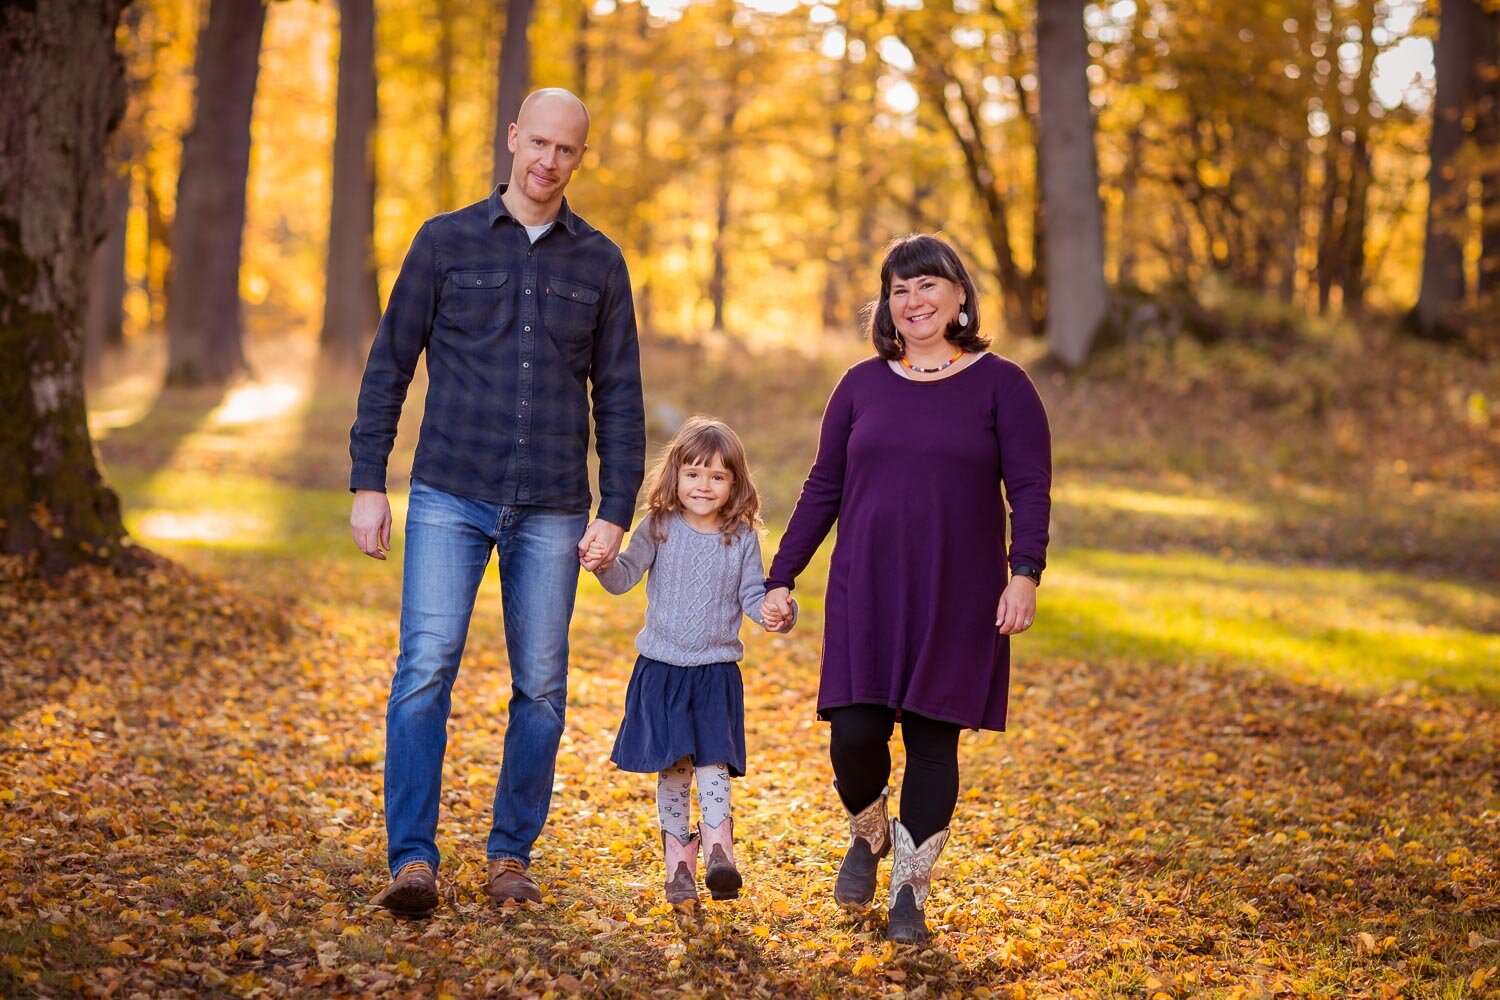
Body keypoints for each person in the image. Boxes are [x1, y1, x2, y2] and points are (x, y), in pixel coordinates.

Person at [348, 88, 645, 916]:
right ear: (513, 137)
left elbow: (619, 397)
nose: (549, 162)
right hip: (449, 491)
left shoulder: (602, 263)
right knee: (423, 674)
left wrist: (614, 509)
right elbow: (388, 367)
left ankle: (511, 852)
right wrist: (369, 480)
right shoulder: (443, 243)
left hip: (553, 503)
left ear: (581, 158)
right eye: (539, 143)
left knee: (542, 688)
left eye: (567, 151)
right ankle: (413, 860)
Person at [760, 233, 1052, 944]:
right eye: (899, 289)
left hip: (959, 591)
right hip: (868, 586)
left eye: (928, 285)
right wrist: (781, 574)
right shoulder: (860, 385)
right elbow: (824, 485)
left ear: (959, 297)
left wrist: (1024, 573)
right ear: (887, 306)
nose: (914, 300)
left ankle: (909, 897)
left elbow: (1031, 488)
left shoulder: (1003, 384)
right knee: (854, 734)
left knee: (930, 740)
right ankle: (868, 832)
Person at [591, 417, 793, 910]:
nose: (704, 485)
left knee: (712, 761)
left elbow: (753, 596)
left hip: (715, 671)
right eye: (694, 473)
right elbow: (624, 578)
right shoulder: (657, 527)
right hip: (661, 668)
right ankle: (678, 863)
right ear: (675, 476)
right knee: (674, 767)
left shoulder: (741, 536)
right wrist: (601, 564)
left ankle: (720, 850)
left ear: (735, 484)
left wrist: (774, 612)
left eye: (718, 477)